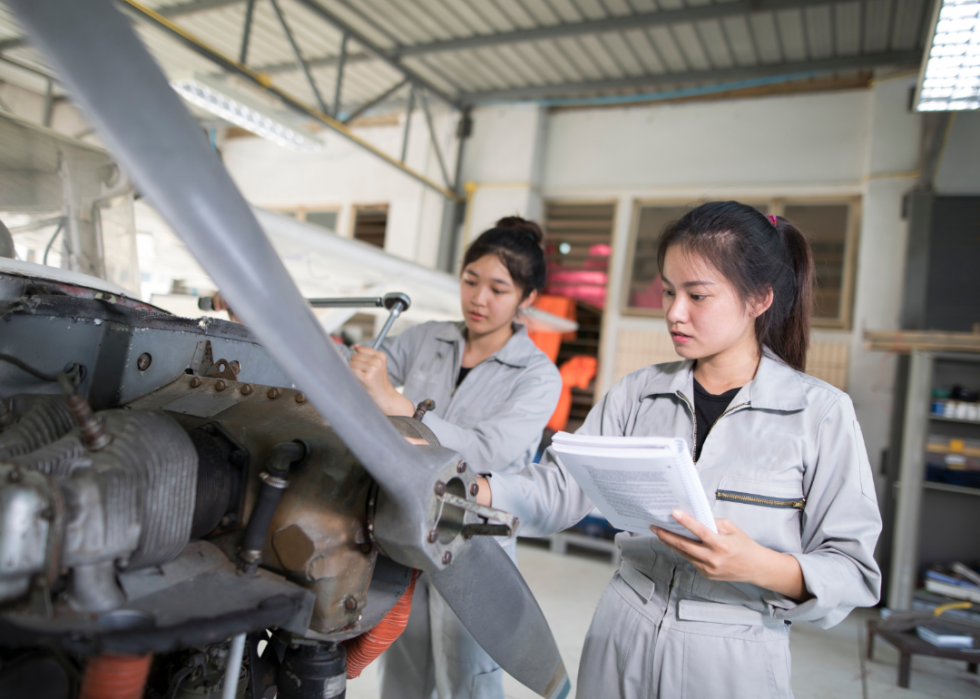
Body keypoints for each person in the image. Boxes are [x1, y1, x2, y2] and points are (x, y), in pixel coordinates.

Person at [475, 201, 882, 698]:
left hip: (734, 652)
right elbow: (563, 487)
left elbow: (853, 570)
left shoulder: (820, 415)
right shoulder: (636, 393)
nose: (673, 312)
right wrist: (481, 488)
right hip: (620, 633)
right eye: (669, 291)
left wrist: (757, 565)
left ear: (759, 300)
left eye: (698, 295)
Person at [347, 216, 562, 699]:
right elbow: (356, 376)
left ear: (527, 299)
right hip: (404, 530)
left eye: (498, 289)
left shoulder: (538, 376)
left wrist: (399, 404)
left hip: (473, 544)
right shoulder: (427, 337)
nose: (479, 299)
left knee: (468, 679)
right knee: (401, 665)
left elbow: (489, 452)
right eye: (470, 281)